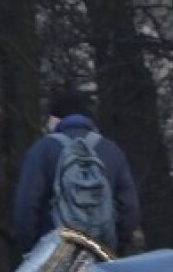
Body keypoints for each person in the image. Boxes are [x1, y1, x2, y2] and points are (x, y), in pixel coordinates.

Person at [12, 88, 141, 256]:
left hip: (55, 255)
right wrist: (114, 249)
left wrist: (34, 252)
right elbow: (130, 210)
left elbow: (26, 209)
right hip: (101, 255)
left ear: (56, 119)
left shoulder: (42, 150)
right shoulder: (111, 151)